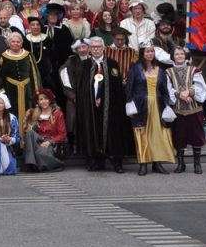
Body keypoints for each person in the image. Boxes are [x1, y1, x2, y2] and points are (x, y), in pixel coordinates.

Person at [74, 37, 128, 173]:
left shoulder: (112, 64)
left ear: (104, 48)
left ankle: (116, 162)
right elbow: (81, 87)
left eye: (98, 46)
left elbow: (117, 87)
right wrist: (91, 98)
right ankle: (95, 161)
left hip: (110, 107)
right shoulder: (84, 65)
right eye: (93, 47)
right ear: (90, 49)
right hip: (90, 107)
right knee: (92, 130)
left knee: (112, 131)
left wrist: (104, 98)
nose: (96, 49)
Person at [125, 44, 176, 175]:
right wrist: (129, 105)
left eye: (152, 51)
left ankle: (157, 163)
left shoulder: (160, 70)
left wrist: (166, 105)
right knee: (141, 135)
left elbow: (164, 91)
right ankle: (143, 164)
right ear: (142, 53)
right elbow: (129, 88)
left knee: (157, 136)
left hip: (157, 107)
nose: (150, 54)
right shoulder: (135, 69)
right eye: (147, 51)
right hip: (141, 107)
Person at [168, 47, 206, 174]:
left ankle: (197, 164)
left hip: (194, 109)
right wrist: (180, 94)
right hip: (178, 110)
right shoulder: (168, 72)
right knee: (179, 137)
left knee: (196, 136)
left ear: (185, 55)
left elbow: (200, 86)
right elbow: (168, 89)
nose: (179, 56)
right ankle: (181, 164)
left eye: (181, 54)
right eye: (177, 54)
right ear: (173, 56)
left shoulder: (194, 70)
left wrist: (189, 92)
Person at [0, 31, 41, 128]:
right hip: (10, 91)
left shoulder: (28, 55)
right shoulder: (3, 56)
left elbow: (34, 74)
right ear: (9, 43)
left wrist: (37, 90)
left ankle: (28, 140)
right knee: (12, 114)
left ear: (21, 43)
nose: (15, 43)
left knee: (29, 114)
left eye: (18, 41)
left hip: (27, 90)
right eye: (13, 41)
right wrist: (1, 92)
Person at [22, 88, 66, 172]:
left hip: (52, 143)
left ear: (50, 100)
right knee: (29, 133)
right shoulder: (35, 114)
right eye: (41, 99)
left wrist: (49, 141)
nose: (43, 101)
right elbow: (32, 135)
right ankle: (30, 164)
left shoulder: (58, 114)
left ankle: (55, 164)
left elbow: (62, 135)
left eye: (46, 98)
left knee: (39, 153)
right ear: (38, 102)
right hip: (39, 141)